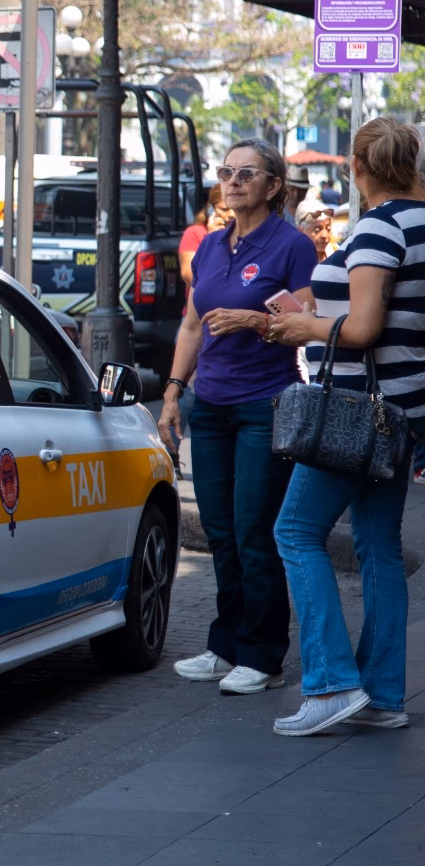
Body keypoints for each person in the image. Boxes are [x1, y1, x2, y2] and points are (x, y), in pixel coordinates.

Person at [265, 117, 425, 735]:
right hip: (403, 409)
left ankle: (331, 684)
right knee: (379, 547)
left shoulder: (383, 227)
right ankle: (383, 694)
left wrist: (306, 326)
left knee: (296, 532)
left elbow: (363, 329)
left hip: (358, 410)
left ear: (357, 171)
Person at [158, 138, 318, 696]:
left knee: (255, 531)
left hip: (264, 404)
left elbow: (307, 319)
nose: (233, 181)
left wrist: (254, 319)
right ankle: (224, 644)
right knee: (221, 531)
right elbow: (191, 326)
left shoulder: (292, 246)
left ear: (273, 186)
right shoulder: (209, 247)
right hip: (212, 405)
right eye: (226, 172)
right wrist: (175, 392)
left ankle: (262, 654)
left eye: (246, 173)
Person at [181, 184, 227, 291]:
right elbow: (189, 277)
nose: (231, 214)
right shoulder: (195, 233)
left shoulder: (241, 232)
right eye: (224, 209)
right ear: (210, 209)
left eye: (235, 209)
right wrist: (211, 240)